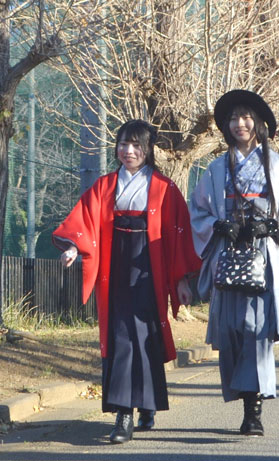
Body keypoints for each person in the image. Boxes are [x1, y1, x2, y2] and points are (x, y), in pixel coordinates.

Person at [53, 120, 200, 444]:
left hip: (149, 267)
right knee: (121, 338)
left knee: (145, 337)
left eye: (136, 145)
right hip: (115, 267)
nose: (128, 151)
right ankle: (123, 415)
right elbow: (85, 220)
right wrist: (74, 248)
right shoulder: (105, 186)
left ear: (148, 151)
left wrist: (182, 281)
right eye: (123, 144)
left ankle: (147, 404)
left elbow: (179, 235)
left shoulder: (164, 188)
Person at [190, 90, 279, 437]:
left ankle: (253, 410)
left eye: (246, 117)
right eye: (233, 118)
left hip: (264, 257)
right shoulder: (215, 168)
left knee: (256, 333)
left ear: (258, 123)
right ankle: (243, 396)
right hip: (228, 256)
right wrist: (216, 224)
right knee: (230, 332)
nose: (239, 124)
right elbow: (198, 210)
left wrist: (274, 225)